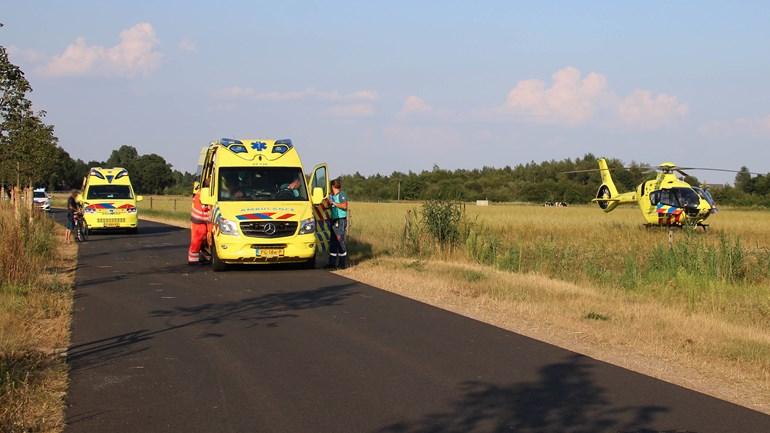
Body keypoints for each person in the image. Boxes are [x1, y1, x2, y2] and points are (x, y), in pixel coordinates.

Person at [327, 178, 349, 269]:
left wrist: (334, 203)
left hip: (340, 220)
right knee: (333, 242)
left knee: (340, 240)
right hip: (334, 220)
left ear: (332, 186)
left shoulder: (342, 194)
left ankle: (342, 264)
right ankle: (332, 263)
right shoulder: (332, 196)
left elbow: (344, 206)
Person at [188, 186, 211, 265]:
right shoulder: (205, 194)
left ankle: (201, 256)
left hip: (199, 219)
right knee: (197, 239)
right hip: (200, 220)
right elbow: (205, 207)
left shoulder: (199, 192)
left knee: (200, 239)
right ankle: (193, 260)